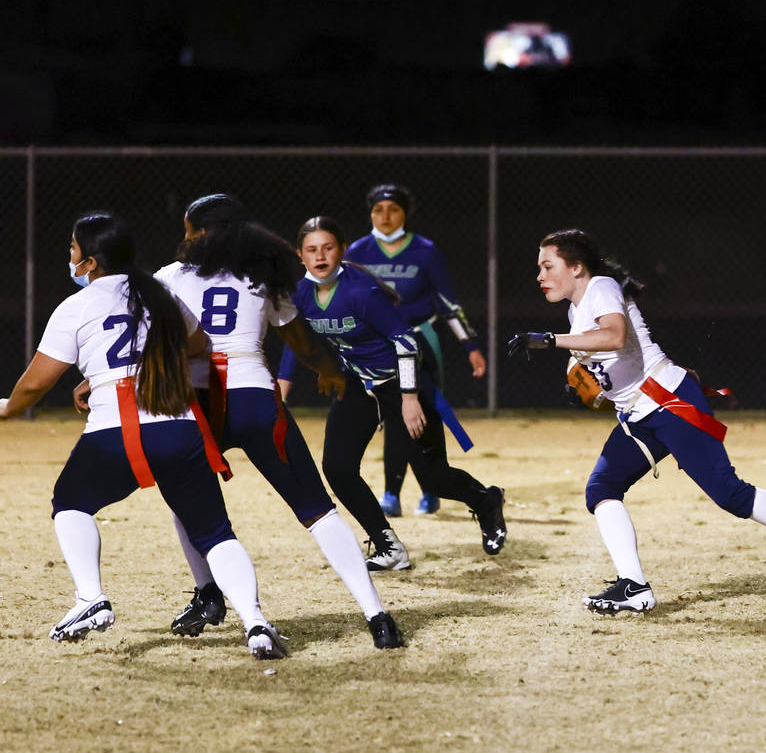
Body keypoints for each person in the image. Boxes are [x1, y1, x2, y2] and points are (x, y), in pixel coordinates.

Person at [506, 228, 766, 615]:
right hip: (640, 413)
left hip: (668, 402)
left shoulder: (600, 286)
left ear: (577, 268)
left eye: (548, 266)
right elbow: (602, 355)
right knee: (602, 488)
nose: (540, 276)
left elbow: (614, 337)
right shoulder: (577, 308)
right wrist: (583, 382)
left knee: (731, 494)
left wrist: (551, 340)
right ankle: (634, 587)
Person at [0, 211, 287, 660]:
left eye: (74, 249)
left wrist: (8, 410)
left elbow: (36, 383)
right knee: (215, 533)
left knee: (70, 503)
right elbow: (197, 345)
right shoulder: (160, 295)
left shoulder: (76, 306)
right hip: (179, 429)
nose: (70, 257)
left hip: (116, 431)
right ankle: (256, 624)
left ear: (91, 261)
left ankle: (90, 598)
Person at [152, 194, 404, 648]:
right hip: (255, 398)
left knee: (191, 508)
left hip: (197, 401)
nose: (184, 239)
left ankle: (222, 600)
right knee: (317, 510)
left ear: (206, 234)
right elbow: (301, 341)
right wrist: (328, 372)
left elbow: (144, 339)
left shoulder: (169, 278)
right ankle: (377, 616)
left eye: (190, 230)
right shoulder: (262, 277)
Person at [278, 216, 507, 558]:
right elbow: (295, 342)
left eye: (328, 247)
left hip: (403, 381)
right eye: (311, 250)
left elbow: (406, 341)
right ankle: (388, 545)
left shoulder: (361, 290)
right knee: (337, 468)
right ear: (300, 255)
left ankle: (486, 501)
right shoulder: (301, 294)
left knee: (432, 478)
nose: (320, 256)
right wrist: (281, 392)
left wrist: (409, 397)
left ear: (342, 249)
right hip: (359, 383)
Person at [345, 184, 485, 517]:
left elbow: (449, 303)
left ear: (405, 212)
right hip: (377, 346)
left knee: (424, 415)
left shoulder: (425, 250)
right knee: (392, 418)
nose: (385, 216)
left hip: (421, 341)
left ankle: (429, 489)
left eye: (393, 209)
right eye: (378, 210)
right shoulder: (359, 251)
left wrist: (471, 346)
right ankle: (391, 493)